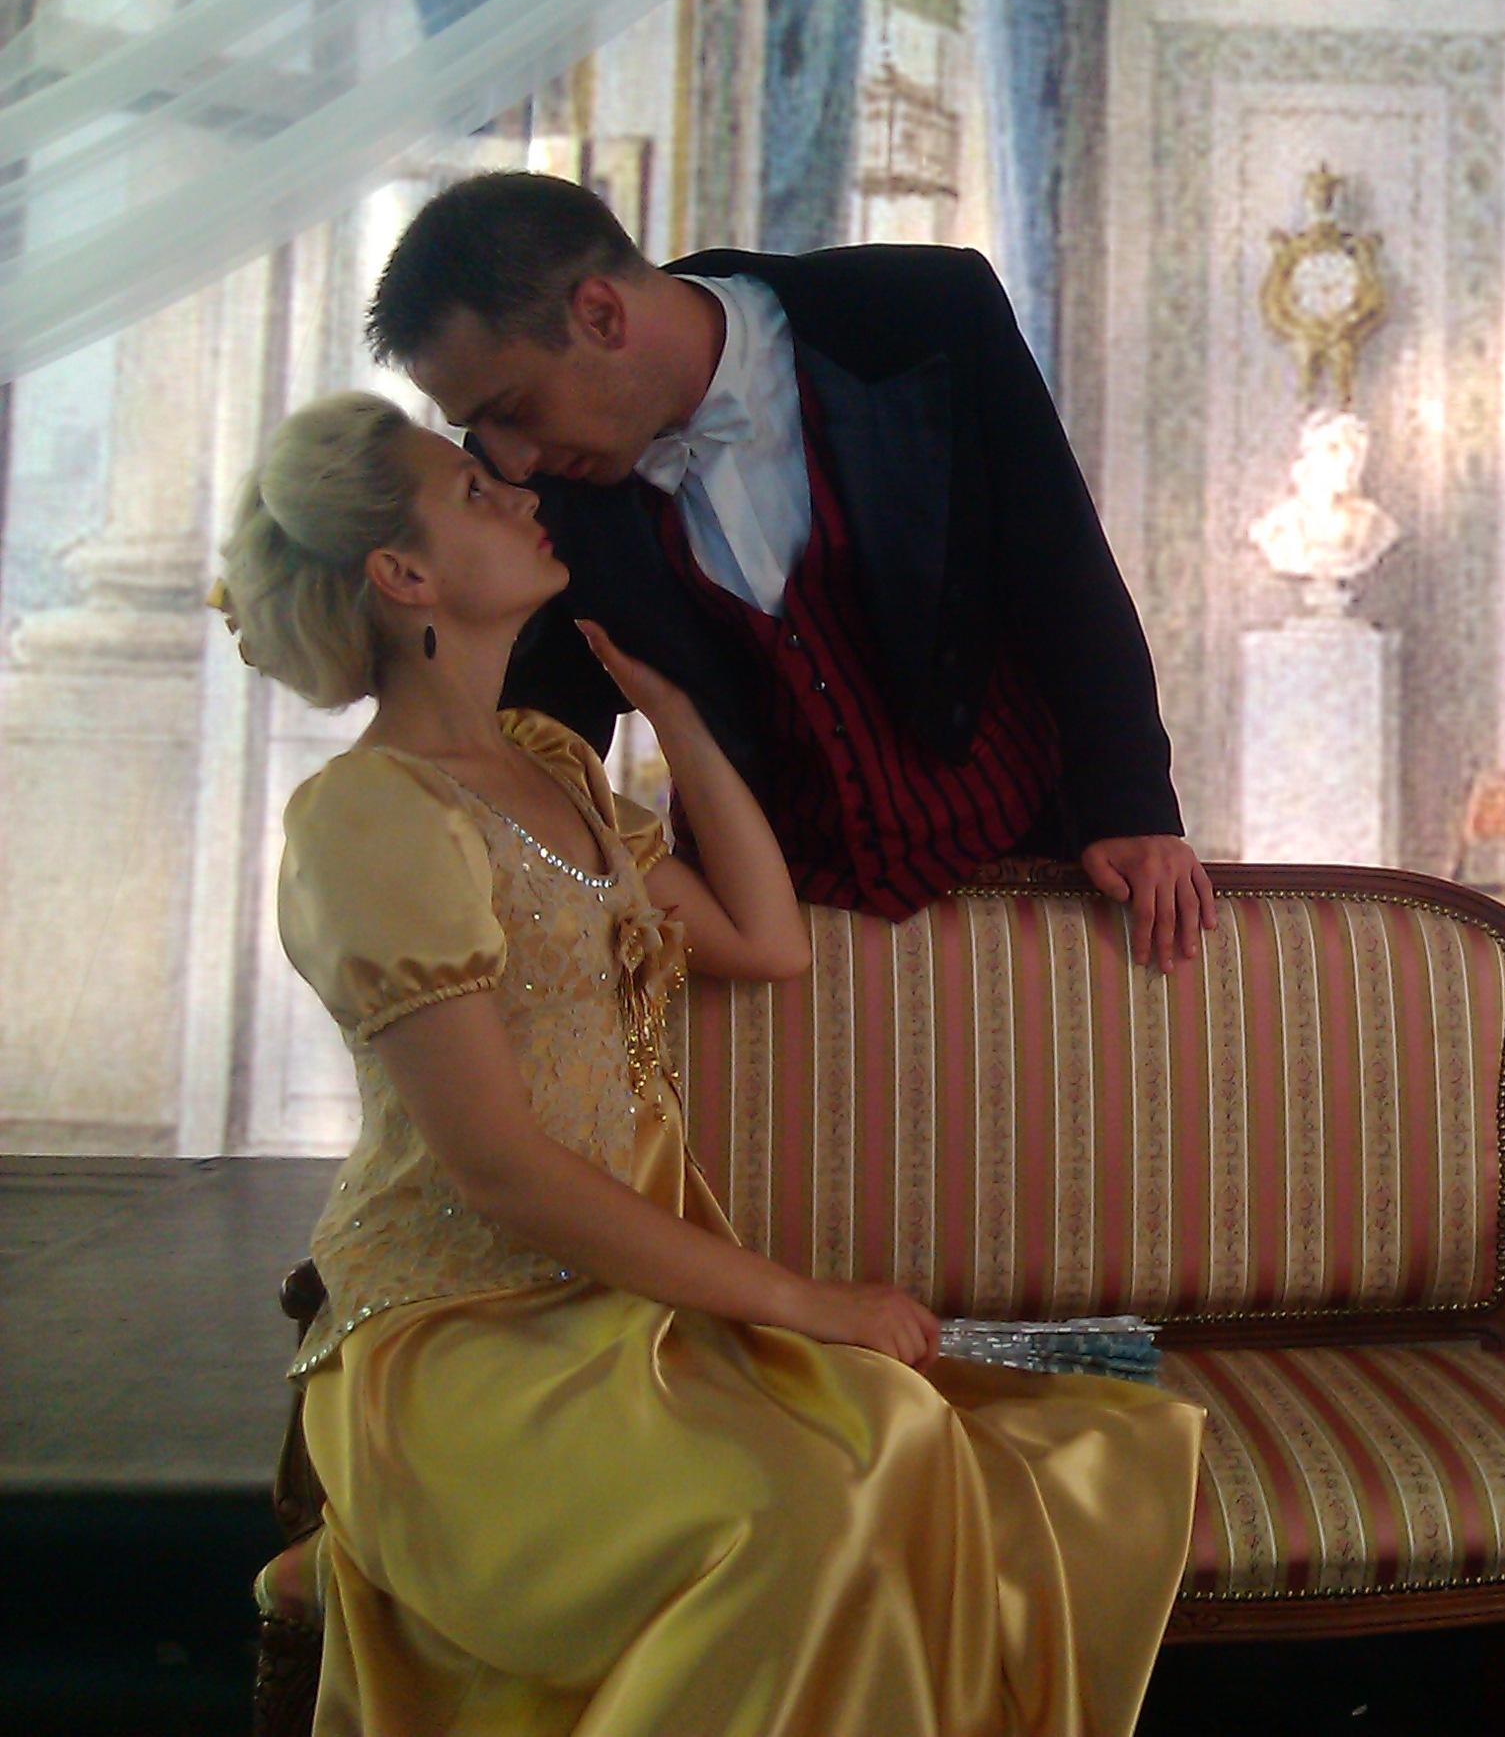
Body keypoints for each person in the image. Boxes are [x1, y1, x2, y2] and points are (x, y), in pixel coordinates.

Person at [218, 392, 1203, 1733]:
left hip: (619, 1308)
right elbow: (499, 1169)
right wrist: (808, 1302)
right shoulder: (368, 817)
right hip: (460, 1338)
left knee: (922, 1442)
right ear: (405, 575)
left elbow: (764, 940)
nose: (521, 496)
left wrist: (676, 713)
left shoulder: (552, 766)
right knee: (796, 1509)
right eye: (474, 494)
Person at [365, 172, 1213, 970]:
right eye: (480, 430)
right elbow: (546, 723)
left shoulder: (922, 309)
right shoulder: (527, 489)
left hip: (1030, 855)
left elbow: (1059, 559)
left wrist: (1129, 803)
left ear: (600, 315)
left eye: (513, 410)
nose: (509, 459)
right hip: (762, 908)